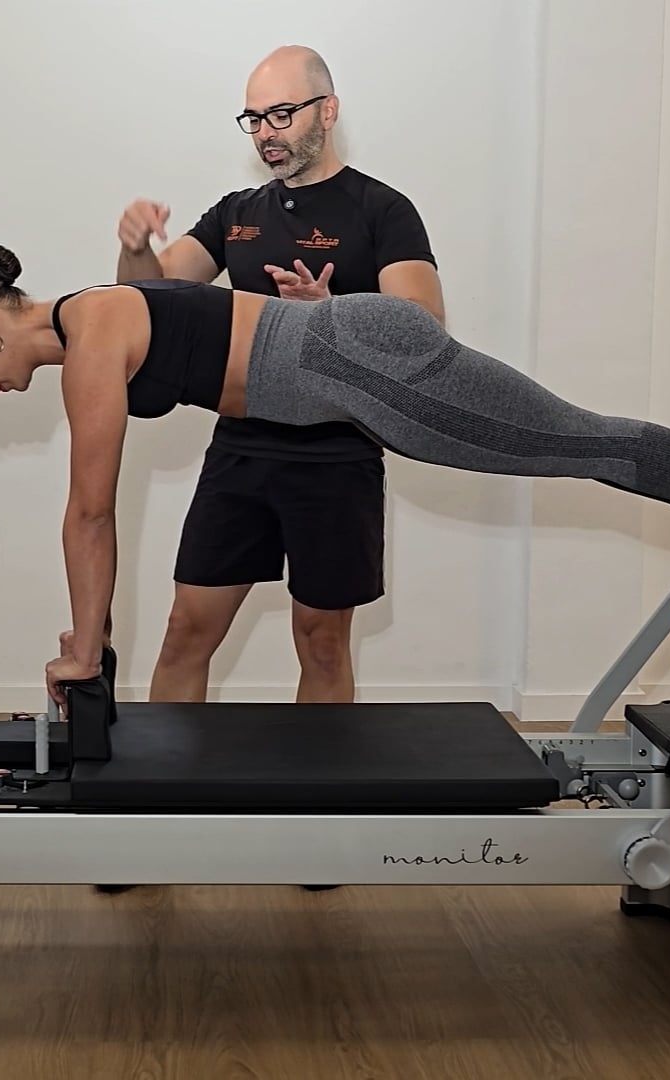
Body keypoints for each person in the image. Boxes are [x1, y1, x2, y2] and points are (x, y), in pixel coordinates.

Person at [0, 247, 670, 706]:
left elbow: (90, 515)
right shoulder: (92, 327)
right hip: (347, 374)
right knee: (583, 445)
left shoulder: (94, 334)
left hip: (367, 362)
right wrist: (89, 640)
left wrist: (81, 649)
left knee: (585, 445)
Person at [114, 46, 443, 707]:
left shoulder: (382, 210)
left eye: (282, 114)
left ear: (327, 110)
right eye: (254, 118)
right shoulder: (238, 213)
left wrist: (331, 316)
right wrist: (133, 247)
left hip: (337, 454)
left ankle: (319, 806)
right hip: (241, 447)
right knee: (185, 631)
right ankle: (164, 800)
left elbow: (425, 324)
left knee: (321, 641)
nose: (266, 132)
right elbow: (145, 301)